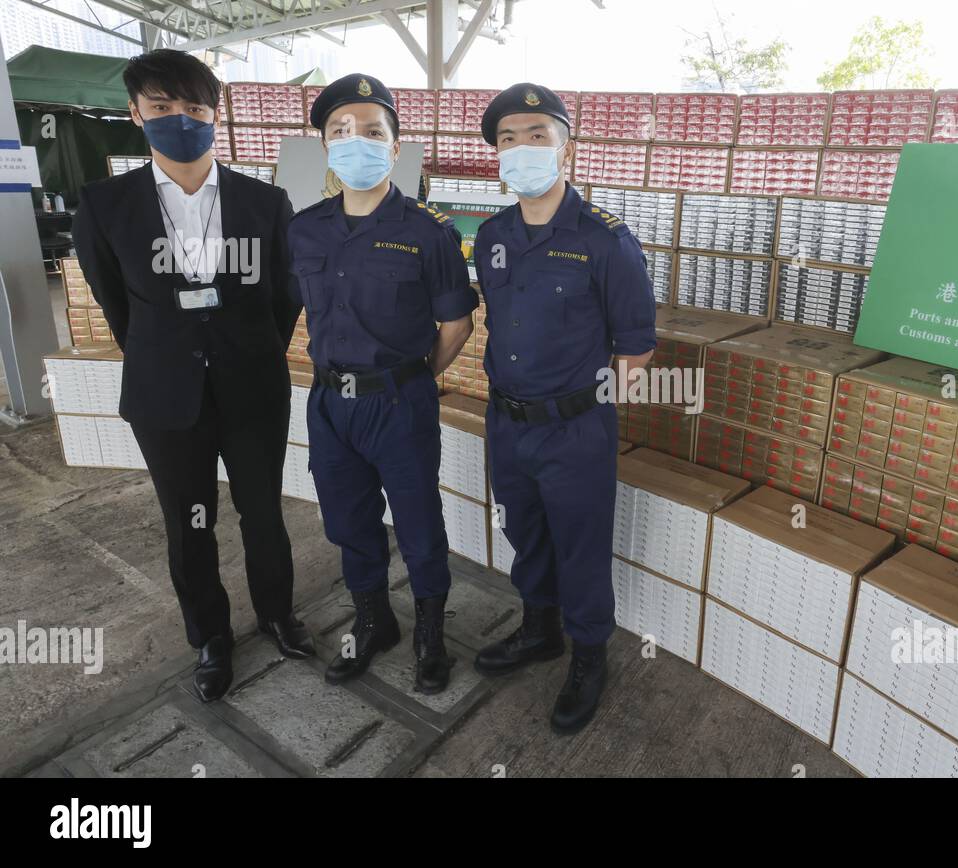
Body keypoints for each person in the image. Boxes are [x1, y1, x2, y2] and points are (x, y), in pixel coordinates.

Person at [72, 49, 312, 703]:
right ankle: (210, 635)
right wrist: (164, 350)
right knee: (192, 518)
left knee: (263, 512)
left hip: (252, 389)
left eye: (196, 108)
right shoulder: (105, 205)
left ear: (215, 114)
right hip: (165, 393)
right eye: (162, 107)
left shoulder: (264, 202)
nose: (181, 119)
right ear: (135, 113)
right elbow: (114, 301)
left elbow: (285, 297)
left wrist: (249, 349)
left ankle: (277, 614)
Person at [473, 83, 657, 734]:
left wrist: (593, 417)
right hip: (507, 422)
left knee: (580, 545)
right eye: (507, 140)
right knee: (525, 533)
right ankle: (538, 631)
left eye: (536, 137)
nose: (521, 150)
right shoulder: (490, 235)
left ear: (567, 151)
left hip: (576, 426)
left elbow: (634, 346)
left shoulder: (607, 240)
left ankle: (587, 656)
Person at [288, 74, 477, 693]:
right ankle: (374, 624)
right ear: (325, 146)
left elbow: (456, 321)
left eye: (372, 131)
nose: (356, 141)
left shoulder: (429, 231)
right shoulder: (307, 228)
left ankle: (430, 635)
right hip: (328, 403)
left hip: (399, 401)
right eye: (340, 131)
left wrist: (417, 376)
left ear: (396, 148)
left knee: (420, 524)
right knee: (348, 520)